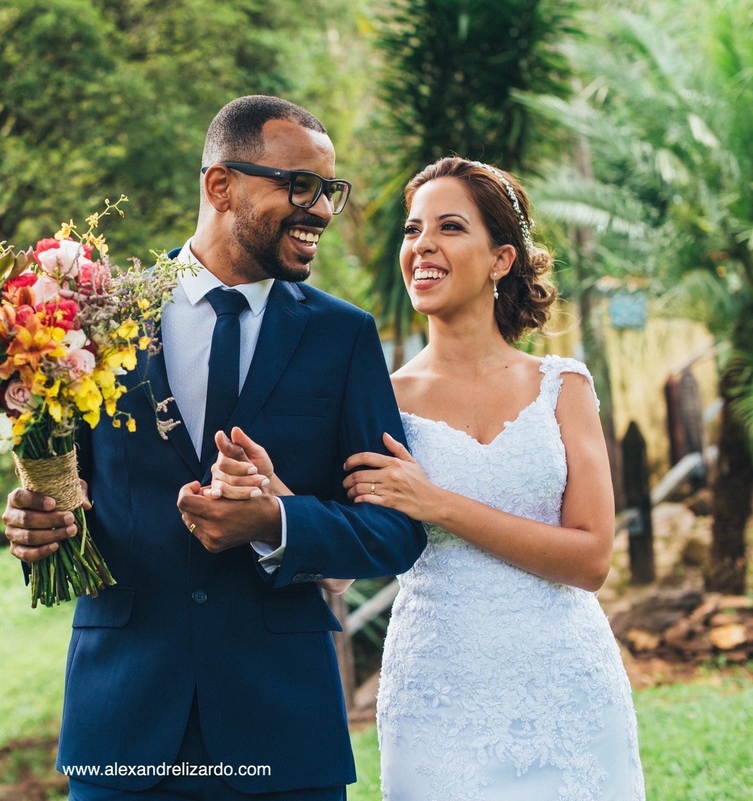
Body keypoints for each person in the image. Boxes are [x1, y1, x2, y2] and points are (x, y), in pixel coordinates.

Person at [1, 95, 427, 800]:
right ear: (220, 185)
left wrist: (276, 523)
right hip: (122, 728)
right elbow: (60, 489)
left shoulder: (343, 337)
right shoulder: (96, 318)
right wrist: (33, 523)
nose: (319, 208)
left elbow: (396, 530)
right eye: (298, 185)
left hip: (283, 732)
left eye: (328, 192)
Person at [212, 157, 645, 800]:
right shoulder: (380, 399)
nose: (423, 247)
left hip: (568, 685)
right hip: (438, 693)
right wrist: (280, 500)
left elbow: (590, 559)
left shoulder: (563, 387)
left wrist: (437, 503)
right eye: (413, 230)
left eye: (449, 228)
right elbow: (341, 569)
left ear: (501, 260)